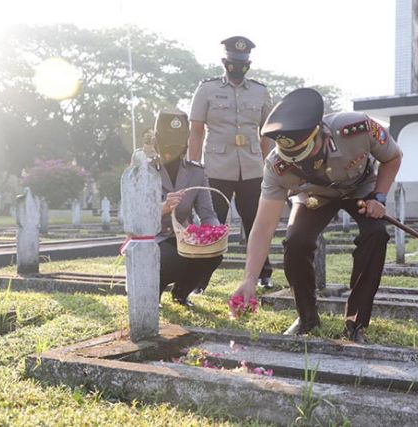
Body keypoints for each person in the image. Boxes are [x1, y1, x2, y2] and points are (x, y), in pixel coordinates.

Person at [231, 88, 402, 343]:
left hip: (361, 187)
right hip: (315, 196)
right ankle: (307, 318)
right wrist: (249, 279)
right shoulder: (276, 166)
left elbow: (393, 157)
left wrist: (379, 198)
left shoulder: (357, 127)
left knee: (376, 235)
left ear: (321, 134)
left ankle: (356, 322)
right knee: (295, 242)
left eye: (308, 158)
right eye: (296, 163)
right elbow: (263, 226)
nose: (303, 166)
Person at [187, 36, 275, 290]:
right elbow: (196, 131)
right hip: (216, 168)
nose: (239, 66)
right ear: (225, 61)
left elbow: (266, 132)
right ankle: (199, 280)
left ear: (248, 62)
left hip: (251, 169)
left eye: (243, 61)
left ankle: (263, 274)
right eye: (234, 61)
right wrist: (194, 167)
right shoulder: (207, 89)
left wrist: (260, 158)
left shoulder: (260, 91)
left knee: (257, 222)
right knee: (210, 224)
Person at [147, 110, 223, 308]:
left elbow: (207, 213)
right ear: (157, 140)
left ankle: (181, 292)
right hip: (152, 237)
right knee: (172, 259)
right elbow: (134, 216)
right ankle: (152, 292)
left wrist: (215, 233)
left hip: (183, 236)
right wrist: (163, 207)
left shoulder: (196, 171)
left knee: (212, 254)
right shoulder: (144, 171)